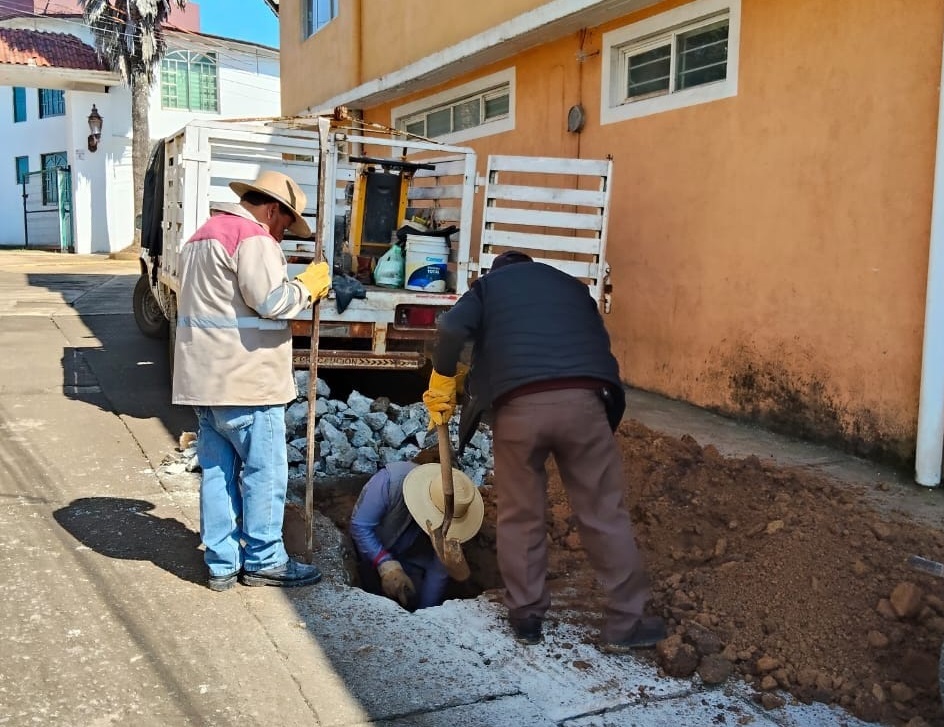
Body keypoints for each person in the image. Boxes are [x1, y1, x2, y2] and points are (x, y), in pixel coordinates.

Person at [422, 250, 666, 651]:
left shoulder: (488, 288)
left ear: (497, 273)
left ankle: (527, 616)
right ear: (531, 269)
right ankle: (627, 622)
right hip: (586, 401)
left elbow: (451, 329)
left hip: (519, 409)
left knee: (521, 514)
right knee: (604, 513)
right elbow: (593, 341)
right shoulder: (570, 286)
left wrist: (444, 376)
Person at [172, 170, 332, 591]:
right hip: (247, 382)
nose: (282, 234)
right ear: (272, 209)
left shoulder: (201, 236)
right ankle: (264, 559)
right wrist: (308, 287)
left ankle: (222, 562)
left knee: (217, 473)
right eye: (284, 223)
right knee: (264, 472)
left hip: (204, 382)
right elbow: (273, 302)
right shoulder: (253, 238)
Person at [349, 457, 484, 610]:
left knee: (413, 595)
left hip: (411, 559)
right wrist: (385, 564)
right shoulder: (390, 482)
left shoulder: (457, 516)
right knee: (370, 593)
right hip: (373, 551)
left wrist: (425, 613)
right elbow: (360, 526)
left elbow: (438, 571)